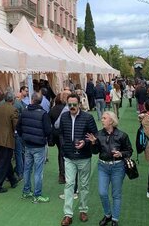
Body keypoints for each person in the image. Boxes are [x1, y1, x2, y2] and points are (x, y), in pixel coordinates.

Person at [58, 93, 98, 226]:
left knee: (84, 185)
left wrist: (85, 143)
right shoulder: (64, 117)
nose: (72, 107)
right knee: (69, 184)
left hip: (84, 157)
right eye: (70, 105)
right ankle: (68, 214)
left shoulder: (88, 117)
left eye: (74, 104)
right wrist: (64, 146)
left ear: (79, 104)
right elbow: (61, 134)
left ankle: (83, 210)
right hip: (69, 156)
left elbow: (95, 135)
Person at [87, 111, 132, 226]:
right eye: (102, 118)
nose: (102, 120)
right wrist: (93, 143)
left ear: (111, 121)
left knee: (116, 194)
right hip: (103, 166)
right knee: (102, 193)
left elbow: (129, 151)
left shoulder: (122, 135)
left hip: (118, 167)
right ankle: (108, 215)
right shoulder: (98, 134)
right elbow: (95, 152)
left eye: (104, 118)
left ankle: (115, 219)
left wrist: (120, 154)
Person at [17, 92, 52, 203]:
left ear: (31, 100)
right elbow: (48, 130)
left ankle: (26, 191)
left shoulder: (24, 111)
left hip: (28, 144)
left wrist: (24, 136)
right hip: (39, 145)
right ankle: (37, 194)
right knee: (38, 171)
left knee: (27, 169)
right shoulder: (43, 113)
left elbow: (18, 127)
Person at [0, 89, 19, 193]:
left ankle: (13, 180)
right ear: (13, 99)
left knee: (5, 160)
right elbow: (16, 125)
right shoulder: (13, 109)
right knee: (3, 162)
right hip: (6, 140)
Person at [13, 86, 29, 179]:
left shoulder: (20, 105)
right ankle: (21, 170)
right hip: (20, 131)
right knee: (21, 152)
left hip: (18, 132)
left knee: (19, 152)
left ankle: (20, 171)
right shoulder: (22, 105)